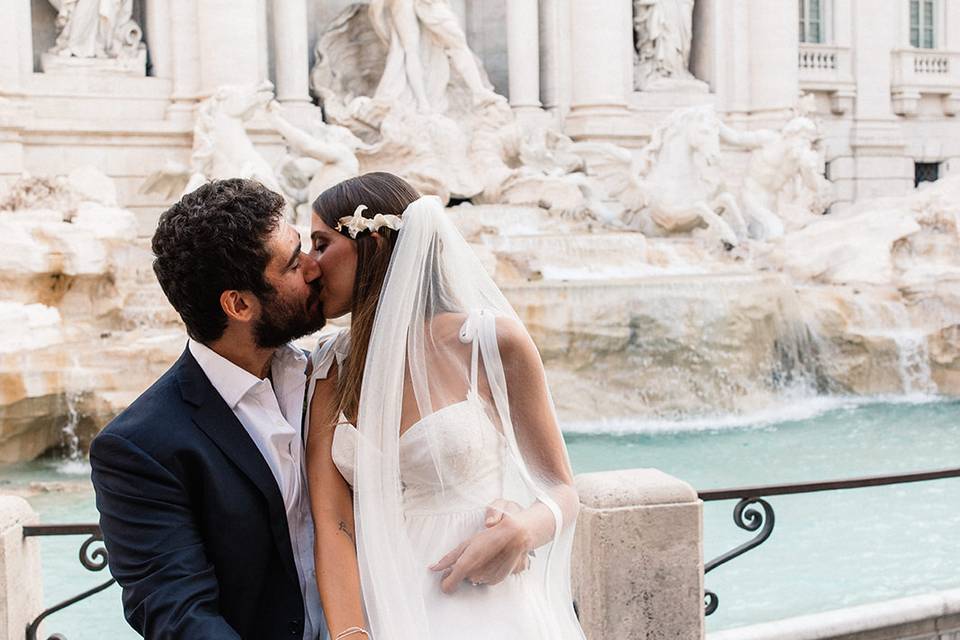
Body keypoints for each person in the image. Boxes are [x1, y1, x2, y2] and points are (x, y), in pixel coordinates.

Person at [306, 172, 586, 639]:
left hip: (482, 603)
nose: (310, 266)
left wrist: (522, 530)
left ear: (372, 244)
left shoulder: (488, 343)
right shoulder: (329, 366)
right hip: (379, 605)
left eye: (320, 244)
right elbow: (332, 523)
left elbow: (561, 489)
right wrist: (351, 633)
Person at [89, 179, 327, 639]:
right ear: (239, 304)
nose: (315, 269)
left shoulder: (334, 372)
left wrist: (513, 517)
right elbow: (177, 614)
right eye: (294, 264)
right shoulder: (139, 446)